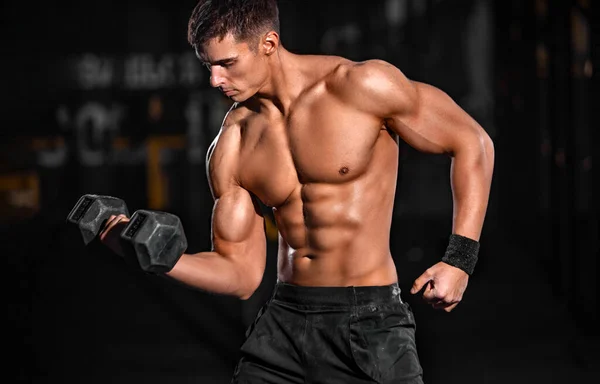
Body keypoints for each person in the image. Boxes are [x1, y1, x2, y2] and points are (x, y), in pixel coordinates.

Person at [100, 0, 494, 382]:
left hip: (369, 321)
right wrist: (158, 259)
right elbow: (240, 274)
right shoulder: (233, 142)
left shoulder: (362, 86)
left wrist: (460, 260)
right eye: (208, 65)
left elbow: (472, 142)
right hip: (282, 327)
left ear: (268, 44)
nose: (215, 80)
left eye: (227, 63)